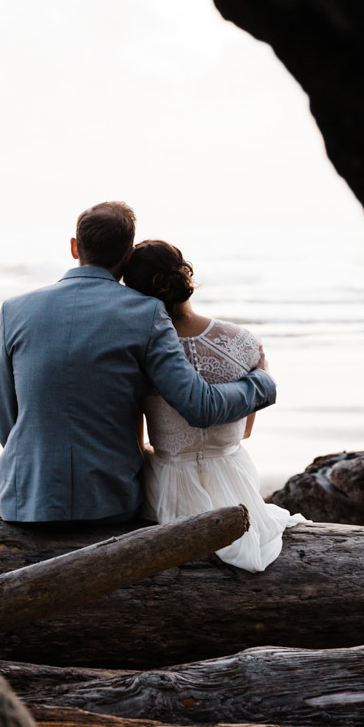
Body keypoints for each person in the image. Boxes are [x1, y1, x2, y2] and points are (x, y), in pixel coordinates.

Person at [0, 200, 276, 524]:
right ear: (127, 255)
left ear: (75, 247)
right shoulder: (146, 313)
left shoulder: (12, 311)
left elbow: (6, 424)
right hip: (109, 505)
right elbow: (199, 407)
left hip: (23, 503)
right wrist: (261, 384)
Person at [122, 238, 299, 572]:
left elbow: (135, 442)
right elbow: (244, 433)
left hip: (168, 487)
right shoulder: (244, 341)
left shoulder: (139, 352)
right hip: (236, 482)